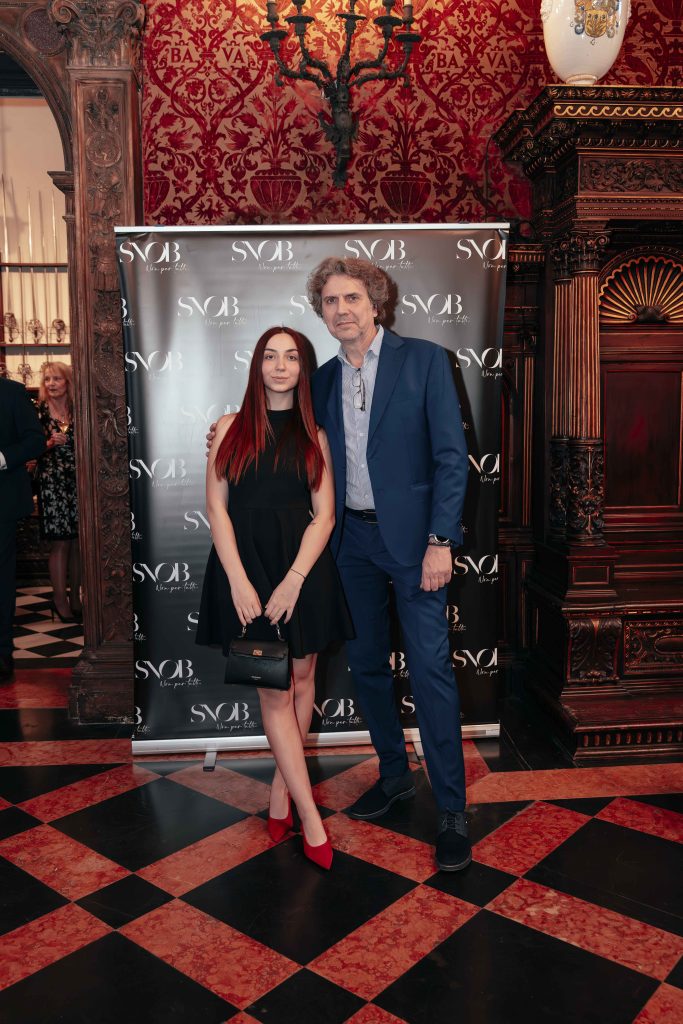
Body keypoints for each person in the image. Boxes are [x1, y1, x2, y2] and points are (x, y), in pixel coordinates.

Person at [306, 256, 471, 872]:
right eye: (330, 301)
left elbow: (451, 458)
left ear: (376, 303)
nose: (341, 309)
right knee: (368, 665)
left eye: (351, 297)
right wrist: (225, 431)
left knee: (430, 671)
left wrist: (440, 540)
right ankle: (395, 774)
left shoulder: (425, 361)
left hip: (417, 544)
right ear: (322, 313)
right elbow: (285, 433)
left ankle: (452, 809)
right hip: (350, 543)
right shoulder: (321, 381)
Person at [197, 326, 353, 870]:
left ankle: (283, 790)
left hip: (302, 570)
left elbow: (325, 516)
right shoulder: (228, 428)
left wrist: (293, 580)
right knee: (273, 690)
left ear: (303, 369)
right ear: (257, 365)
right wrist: (239, 581)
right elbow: (216, 509)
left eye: (291, 357)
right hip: (246, 567)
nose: (280, 365)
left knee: (304, 678)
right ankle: (311, 818)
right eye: (270, 356)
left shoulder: (315, 435)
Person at [0, 375, 46, 683]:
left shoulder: (11, 392)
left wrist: (3, 458)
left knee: (1, 580)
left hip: (2, 503)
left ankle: (2, 651)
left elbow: (35, 440)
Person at [33, 362, 81, 623]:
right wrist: (49, 442)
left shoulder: (78, 408)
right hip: (52, 482)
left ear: (68, 382)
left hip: (78, 481)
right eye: (47, 379)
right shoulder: (38, 411)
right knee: (61, 542)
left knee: (78, 542)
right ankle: (60, 600)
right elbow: (29, 447)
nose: (50, 384)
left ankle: (77, 599)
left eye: (57, 379)